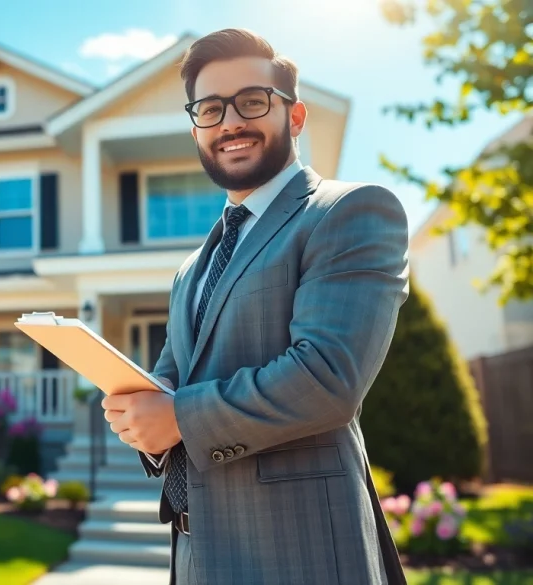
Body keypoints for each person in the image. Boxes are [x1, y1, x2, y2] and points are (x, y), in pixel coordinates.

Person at [101, 28, 410, 585]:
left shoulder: (350, 212)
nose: (230, 123)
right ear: (195, 126)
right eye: (210, 109)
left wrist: (176, 417)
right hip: (196, 555)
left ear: (294, 117)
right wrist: (140, 418)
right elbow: (172, 386)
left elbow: (327, 378)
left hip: (301, 551)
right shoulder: (192, 267)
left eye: (252, 102)